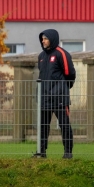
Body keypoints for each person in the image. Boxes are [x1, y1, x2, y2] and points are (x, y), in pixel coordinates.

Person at [34, 29, 76, 159]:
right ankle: (41, 152)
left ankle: (68, 152)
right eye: (42, 39)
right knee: (43, 126)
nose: (43, 41)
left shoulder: (62, 54)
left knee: (64, 125)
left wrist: (63, 89)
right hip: (44, 98)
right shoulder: (41, 56)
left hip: (60, 98)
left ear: (52, 39)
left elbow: (70, 74)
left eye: (45, 38)